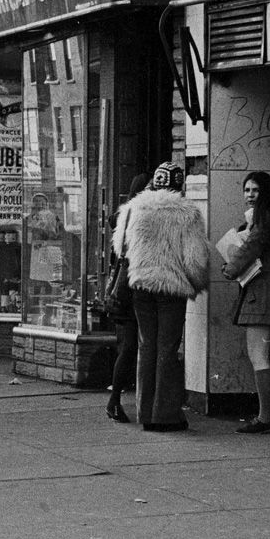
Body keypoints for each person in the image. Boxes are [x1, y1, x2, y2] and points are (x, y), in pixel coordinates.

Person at [113, 162, 211, 432]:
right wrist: (196, 284)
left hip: (141, 286)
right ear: (179, 186)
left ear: (155, 183)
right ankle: (165, 415)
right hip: (172, 288)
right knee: (167, 349)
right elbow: (195, 259)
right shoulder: (187, 213)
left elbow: (120, 246)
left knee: (147, 347)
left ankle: (145, 412)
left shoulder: (133, 208)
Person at [221, 172, 270, 434]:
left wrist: (230, 268)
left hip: (261, 296)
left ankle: (265, 416)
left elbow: (251, 248)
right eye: (246, 190)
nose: (249, 195)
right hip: (263, 293)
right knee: (264, 357)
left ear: (265, 193)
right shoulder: (261, 219)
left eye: (255, 190)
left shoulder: (263, 220)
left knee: (258, 356)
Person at [106, 172, 152, 423]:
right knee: (129, 347)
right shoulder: (131, 218)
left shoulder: (124, 216)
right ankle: (114, 400)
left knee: (130, 347)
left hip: (128, 290)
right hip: (127, 291)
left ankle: (118, 400)